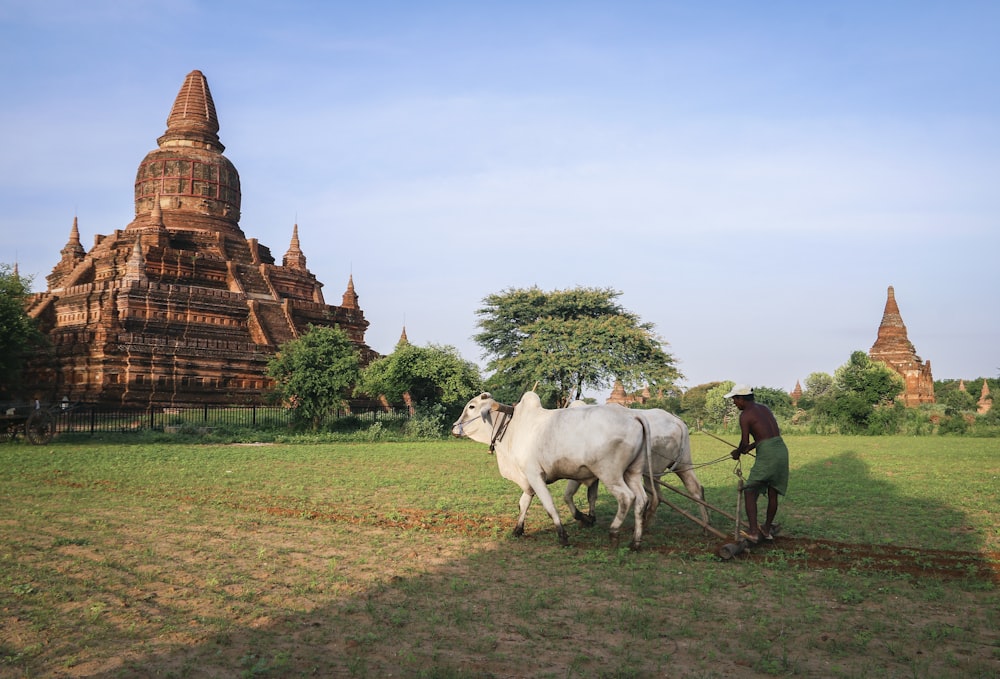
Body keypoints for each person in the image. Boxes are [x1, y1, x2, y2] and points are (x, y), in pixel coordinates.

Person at [724, 384, 789, 544]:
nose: (734, 403)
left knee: (750, 492)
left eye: (734, 399)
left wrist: (738, 452)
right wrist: (750, 447)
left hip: (767, 454)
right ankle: (766, 529)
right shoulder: (764, 408)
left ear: (742, 399)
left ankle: (753, 532)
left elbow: (744, 441)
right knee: (772, 492)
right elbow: (767, 435)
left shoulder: (745, 415)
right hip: (781, 449)